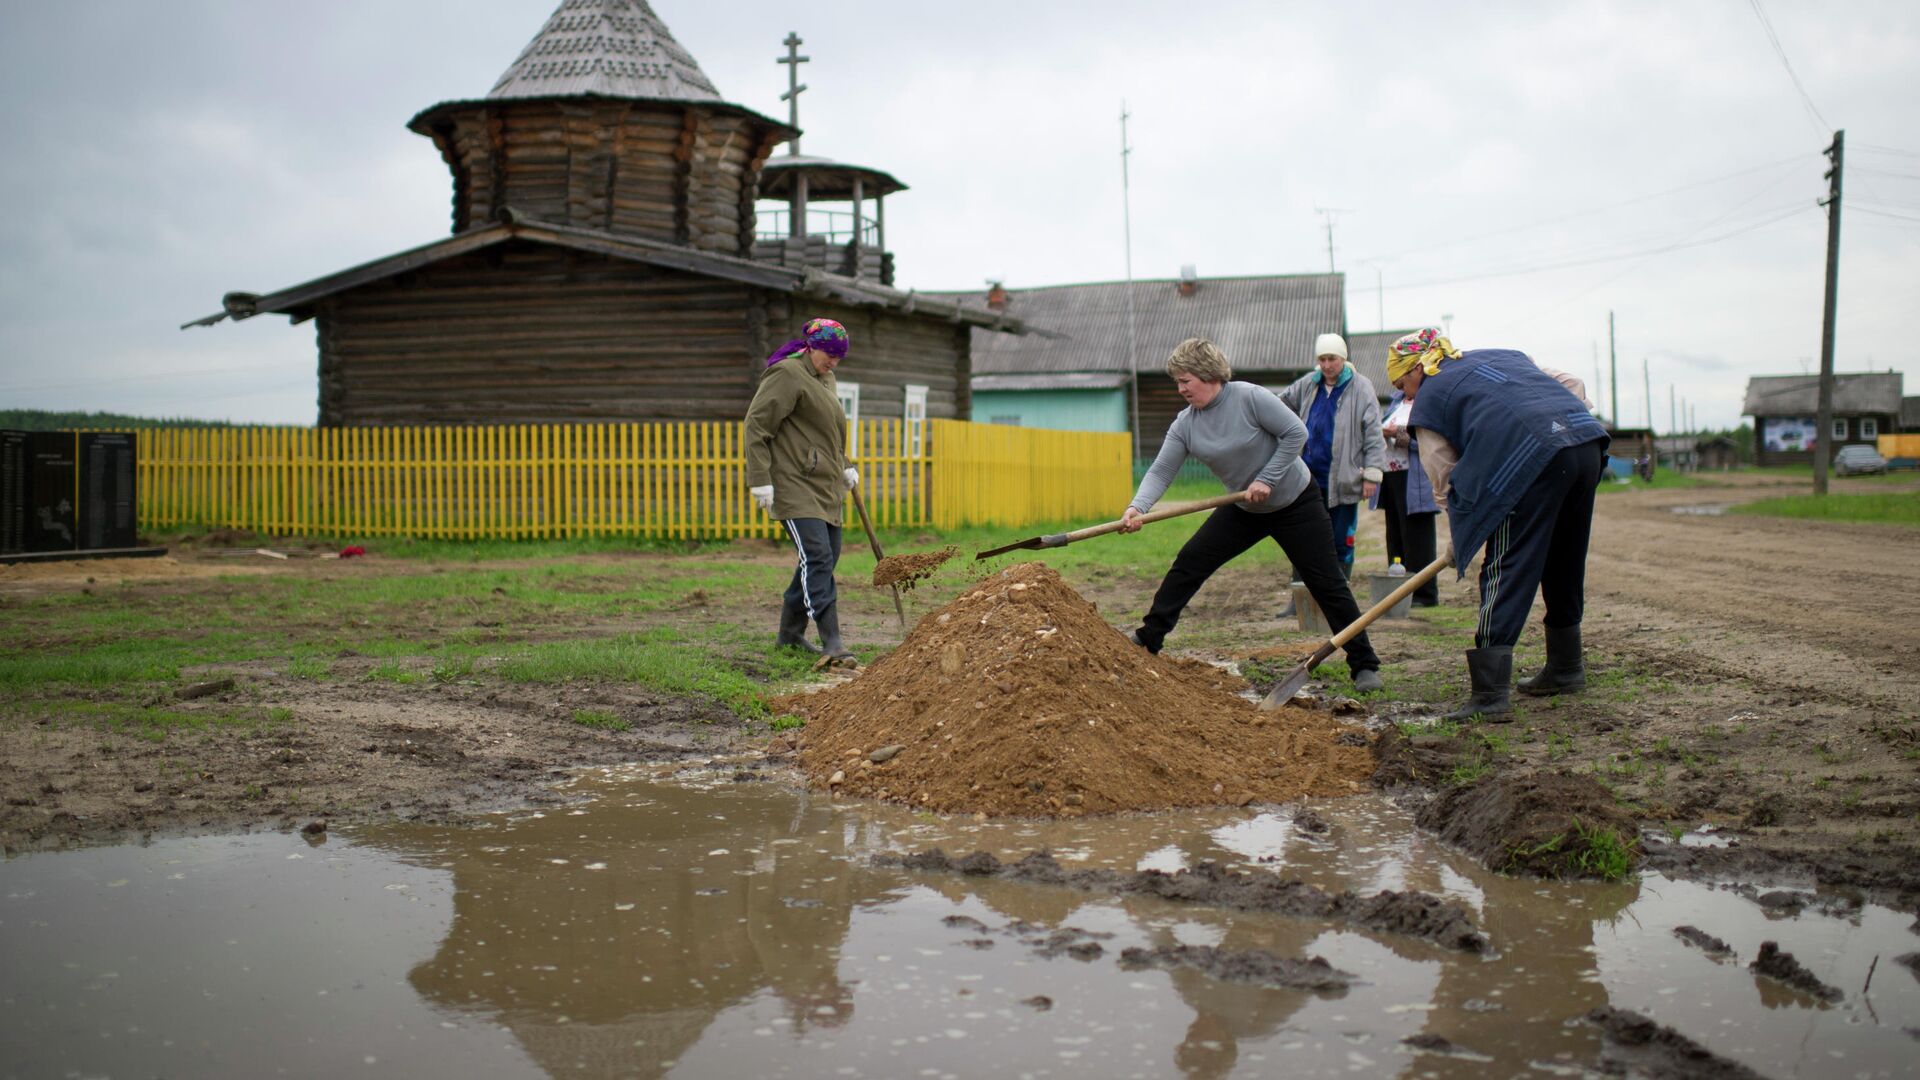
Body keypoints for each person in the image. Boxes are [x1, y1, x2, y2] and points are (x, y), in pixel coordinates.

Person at [1121, 338, 1384, 694]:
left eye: (1185, 380)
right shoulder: (1185, 424)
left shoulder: (1249, 397)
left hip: (1296, 503)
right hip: (1245, 508)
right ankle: (1149, 637)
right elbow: (1161, 471)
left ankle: (1364, 664)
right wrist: (1138, 507)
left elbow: (1296, 434)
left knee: (1327, 582)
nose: (1180, 388)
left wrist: (1267, 478)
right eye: (1178, 382)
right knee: (1190, 561)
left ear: (1208, 374)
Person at [1389, 327, 1608, 721]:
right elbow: (1571, 383)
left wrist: (1461, 534)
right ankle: (1566, 667)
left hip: (1530, 464)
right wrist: (1556, 427)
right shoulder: (1503, 356)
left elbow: (1443, 479)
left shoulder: (1430, 401)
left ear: (1416, 369)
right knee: (1563, 558)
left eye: (1402, 382)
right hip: (1585, 444)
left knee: (1507, 565)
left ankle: (1489, 695)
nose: (1405, 394)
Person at [744, 317, 860, 665]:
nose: (834, 361)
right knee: (818, 558)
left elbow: (828, 430)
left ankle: (790, 635)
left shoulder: (825, 378)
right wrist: (760, 479)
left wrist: (845, 464)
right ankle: (833, 641)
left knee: (825, 556)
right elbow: (756, 425)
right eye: (829, 354)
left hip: (823, 485)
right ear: (811, 347)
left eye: (839, 357)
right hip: (792, 484)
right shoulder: (787, 374)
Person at [1275, 333, 1386, 581]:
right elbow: (1279, 407)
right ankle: (1301, 595)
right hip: (1307, 478)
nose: (1326, 365)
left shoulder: (1361, 387)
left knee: (1340, 538)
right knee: (1304, 537)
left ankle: (1339, 591)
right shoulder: (1308, 384)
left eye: (1331, 359)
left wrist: (1372, 474)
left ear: (1342, 358)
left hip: (1343, 478)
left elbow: (1373, 433)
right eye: (1322, 359)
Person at [1369, 385, 1441, 607]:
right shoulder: (1396, 402)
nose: (1400, 383)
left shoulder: (1428, 403)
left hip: (1415, 477)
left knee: (1417, 536)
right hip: (1392, 475)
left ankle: (1424, 594)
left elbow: (1429, 441)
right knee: (1396, 534)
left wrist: (1397, 434)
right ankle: (1399, 592)